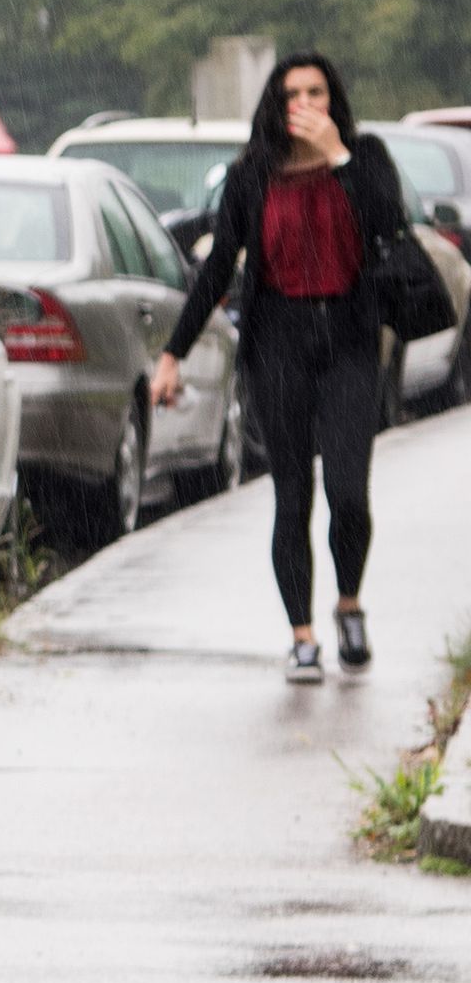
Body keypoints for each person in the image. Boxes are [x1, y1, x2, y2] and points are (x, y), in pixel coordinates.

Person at [155, 50, 414, 683]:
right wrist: (172, 353)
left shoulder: (367, 158)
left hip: (350, 346)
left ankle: (348, 603)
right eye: (293, 94)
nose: (306, 105)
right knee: (291, 496)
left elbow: (389, 225)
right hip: (279, 349)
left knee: (348, 493)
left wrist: (340, 159)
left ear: (333, 101)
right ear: (276, 103)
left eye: (317, 93)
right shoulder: (252, 176)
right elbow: (219, 268)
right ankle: (302, 636)